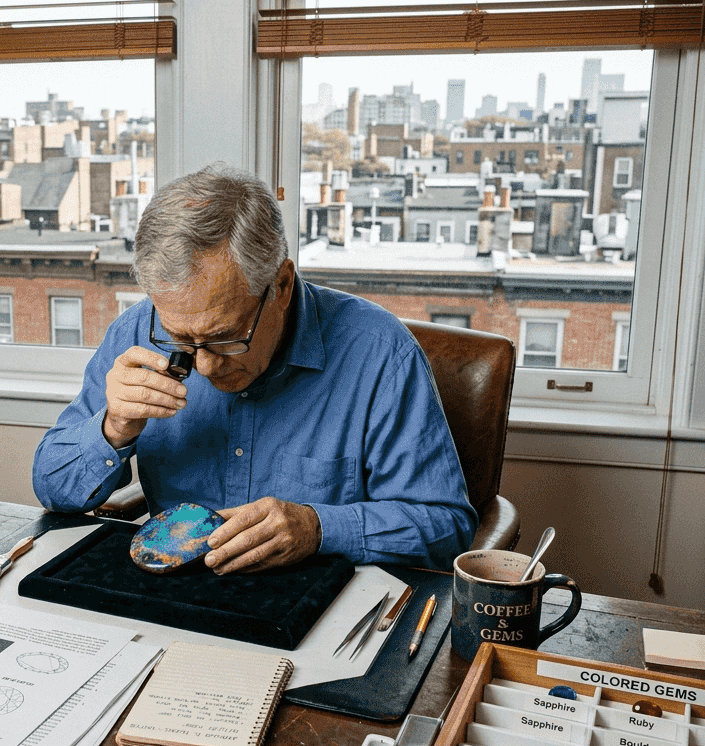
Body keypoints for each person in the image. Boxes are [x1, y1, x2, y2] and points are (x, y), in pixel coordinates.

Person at [32, 163, 476, 573]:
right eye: (180, 339)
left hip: (315, 596)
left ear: (280, 285)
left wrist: (318, 528)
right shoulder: (136, 333)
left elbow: (446, 527)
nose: (204, 365)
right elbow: (52, 487)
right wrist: (113, 427)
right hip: (174, 590)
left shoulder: (381, 352)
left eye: (226, 336)